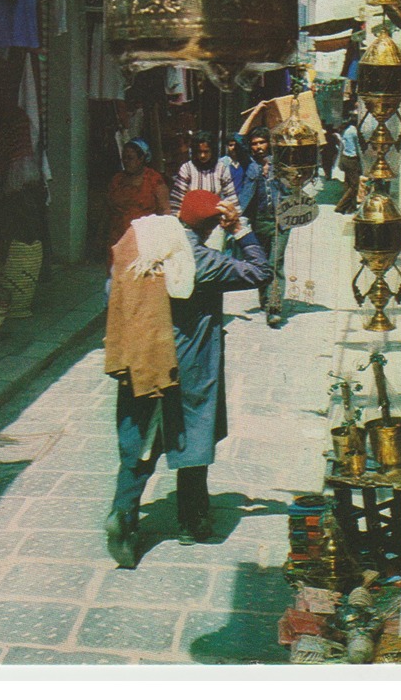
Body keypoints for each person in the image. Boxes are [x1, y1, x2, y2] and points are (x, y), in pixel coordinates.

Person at [103, 190, 270, 568]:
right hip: (189, 367)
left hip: (142, 360)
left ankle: (123, 514)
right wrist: (241, 230)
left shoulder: (142, 245)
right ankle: (191, 522)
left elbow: (111, 294)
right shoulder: (201, 261)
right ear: (212, 226)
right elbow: (261, 272)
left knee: (140, 443)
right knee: (193, 433)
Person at [241, 125, 291, 328]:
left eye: (262, 142)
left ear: (269, 143)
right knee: (261, 263)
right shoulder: (249, 164)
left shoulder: (281, 163)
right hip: (258, 221)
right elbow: (238, 136)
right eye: (255, 143)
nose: (259, 146)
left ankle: (274, 308)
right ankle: (266, 298)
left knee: (275, 263)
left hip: (280, 221)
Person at [105, 138, 170, 268]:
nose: (126, 162)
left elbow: (164, 210)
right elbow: (108, 210)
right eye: (124, 158)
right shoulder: (117, 180)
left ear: (142, 159)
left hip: (144, 239)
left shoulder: (154, 179)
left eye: (130, 158)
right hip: (119, 238)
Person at [169, 130, 239, 214]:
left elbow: (231, 197)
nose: (202, 155)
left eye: (206, 152)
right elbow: (177, 198)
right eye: (199, 152)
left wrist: (234, 217)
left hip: (214, 217)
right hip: (191, 217)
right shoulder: (187, 168)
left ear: (212, 151)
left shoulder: (221, 168)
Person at [218, 132, 260, 212]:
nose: (234, 148)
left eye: (236, 146)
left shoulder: (248, 163)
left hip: (244, 204)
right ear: (226, 147)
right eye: (231, 145)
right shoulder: (221, 164)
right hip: (227, 204)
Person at [334, 113, 362, 214]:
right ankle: (340, 206)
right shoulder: (354, 132)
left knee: (348, 183)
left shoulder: (347, 130)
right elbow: (359, 148)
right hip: (351, 159)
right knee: (354, 186)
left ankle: (352, 207)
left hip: (345, 158)